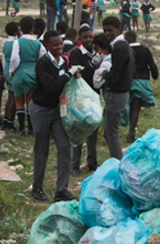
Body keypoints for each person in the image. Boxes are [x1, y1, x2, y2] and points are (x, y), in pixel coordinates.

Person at [30, 30, 82, 202]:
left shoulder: (63, 62)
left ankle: (61, 190)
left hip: (58, 110)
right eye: (55, 45)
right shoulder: (43, 63)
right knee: (42, 149)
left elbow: (66, 85)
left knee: (64, 146)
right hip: (42, 110)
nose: (59, 47)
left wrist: (75, 76)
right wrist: (69, 74)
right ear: (46, 46)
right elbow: (51, 87)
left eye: (60, 43)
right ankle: (37, 187)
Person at [95, 16, 135, 159]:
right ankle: (117, 161)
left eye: (110, 30)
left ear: (118, 29)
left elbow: (114, 76)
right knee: (110, 132)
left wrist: (103, 72)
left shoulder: (119, 47)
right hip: (121, 93)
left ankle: (117, 164)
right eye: (105, 30)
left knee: (111, 133)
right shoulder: (125, 45)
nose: (107, 34)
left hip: (117, 94)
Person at [69, 26, 103, 174]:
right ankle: (75, 164)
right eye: (85, 38)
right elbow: (79, 74)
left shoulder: (98, 52)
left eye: (91, 37)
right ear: (80, 40)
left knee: (93, 128)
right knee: (79, 129)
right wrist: (92, 64)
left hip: (94, 96)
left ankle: (92, 162)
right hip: (80, 96)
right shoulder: (76, 53)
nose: (89, 40)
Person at [10, 17, 46, 135]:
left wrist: (12, 71)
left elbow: (14, 58)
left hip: (20, 71)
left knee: (19, 100)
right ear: (32, 28)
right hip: (33, 73)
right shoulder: (38, 44)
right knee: (30, 101)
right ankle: (31, 127)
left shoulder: (17, 42)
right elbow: (42, 58)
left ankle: (21, 128)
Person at [124, 31, 158, 143]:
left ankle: (128, 130)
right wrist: (155, 75)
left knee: (128, 105)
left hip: (129, 81)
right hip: (142, 81)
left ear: (128, 39)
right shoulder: (144, 50)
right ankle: (131, 131)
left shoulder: (125, 50)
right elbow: (152, 65)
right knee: (136, 107)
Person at [2, 22, 21, 132]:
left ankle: (5, 120)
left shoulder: (6, 43)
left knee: (10, 98)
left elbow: (4, 59)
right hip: (13, 71)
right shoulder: (16, 43)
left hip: (6, 69)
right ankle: (10, 122)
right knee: (14, 98)